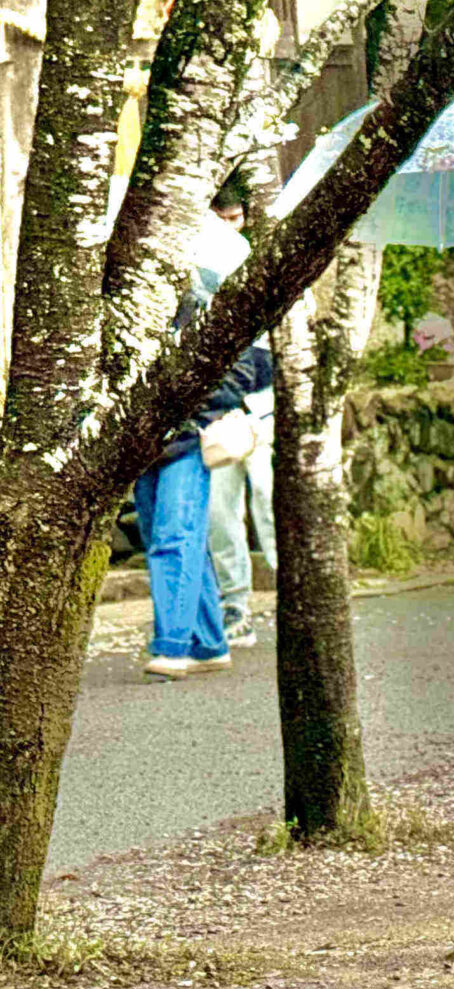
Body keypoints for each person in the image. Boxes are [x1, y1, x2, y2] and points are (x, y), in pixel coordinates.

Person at [136, 223, 267, 680]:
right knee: (171, 537)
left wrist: (194, 409)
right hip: (146, 442)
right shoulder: (137, 301)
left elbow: (244, 370)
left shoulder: (209, 291)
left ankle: (172, 646)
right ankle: (210, 643)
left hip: (190, 437)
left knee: (174, 537)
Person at [201, 189, 275, 646]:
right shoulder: (196, 268)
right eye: (221, 219)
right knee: (220, 512)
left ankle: (297, 592)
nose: (230, 227)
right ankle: (235, 605)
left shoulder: (259, 260)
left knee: (270, 499)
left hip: (262, 403)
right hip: (218, 410)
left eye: (236, 218)